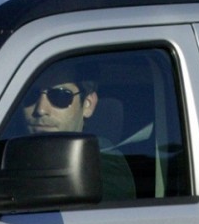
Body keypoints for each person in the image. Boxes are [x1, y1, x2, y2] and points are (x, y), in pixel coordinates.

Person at [10, 69, 136, 200]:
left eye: (60, 96)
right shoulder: (9, 152)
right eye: (30, 94)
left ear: (88, 104)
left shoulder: (104, 163)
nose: (41, 109)